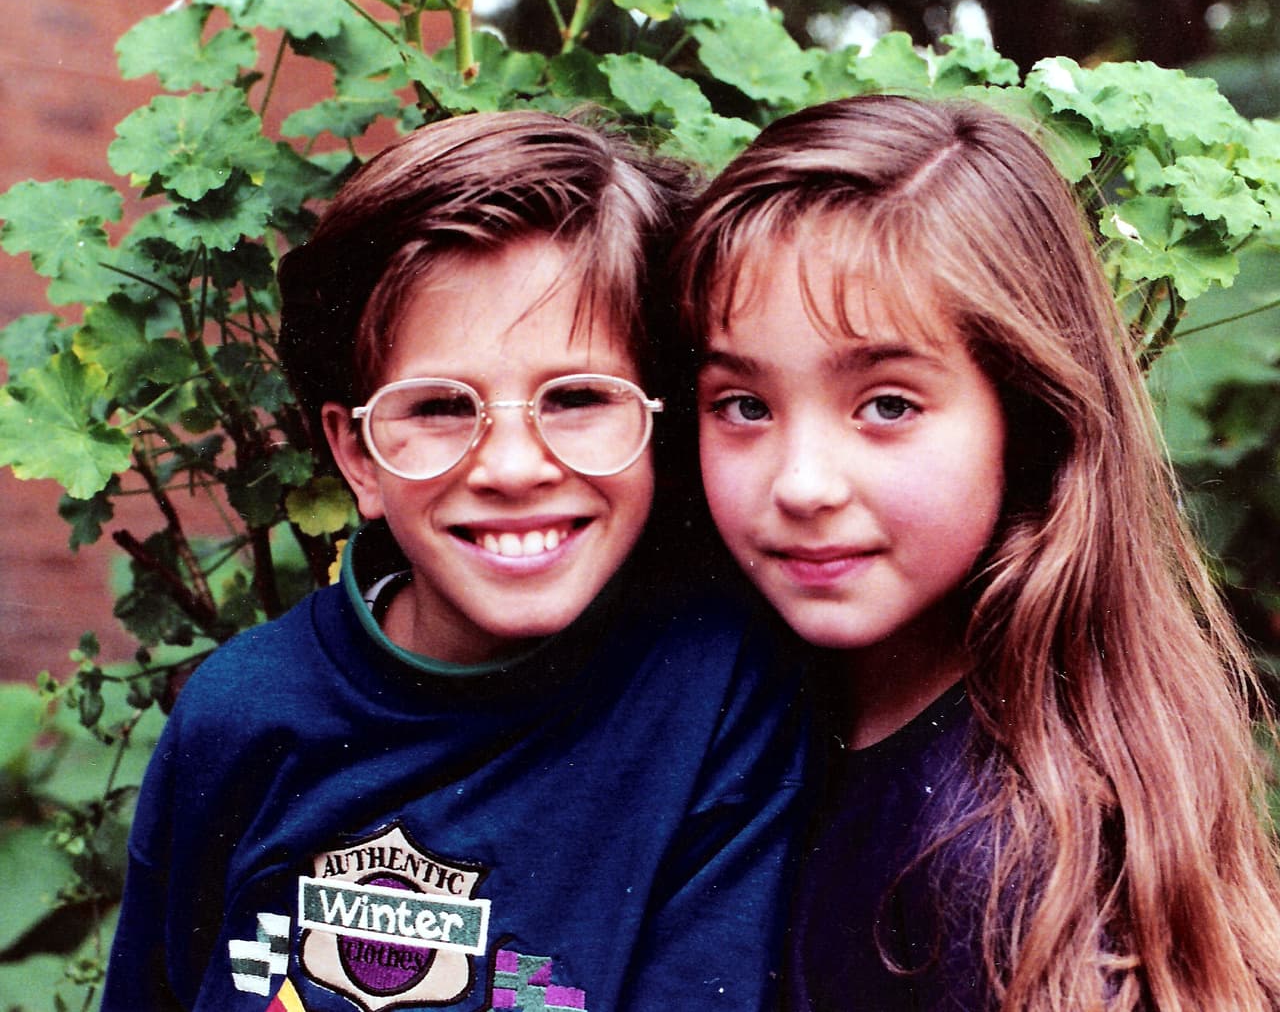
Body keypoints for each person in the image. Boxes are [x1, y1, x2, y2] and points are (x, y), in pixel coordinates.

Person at [102, 110, 806, 1012]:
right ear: (357, 459)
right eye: (437, 407)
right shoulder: (241, 714)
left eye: (580, 396)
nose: (513, 468)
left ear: (656, 419)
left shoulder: (717, 693)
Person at [674, 94, 1280, 1011]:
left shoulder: (997, 866)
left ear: (1028, 418)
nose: (800, 484)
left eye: (887, 405)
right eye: (744, 406)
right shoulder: (768, 698)